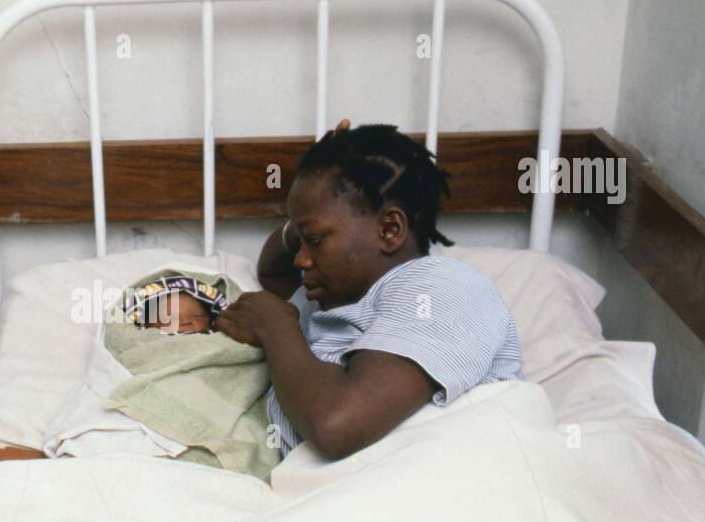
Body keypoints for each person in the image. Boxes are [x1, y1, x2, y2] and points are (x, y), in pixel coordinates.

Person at [214, 121, 523, 461]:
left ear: (389, 229)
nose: (301, 259)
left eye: (315, 240)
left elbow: (336, 427)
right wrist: (306, 218)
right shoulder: (338, 291)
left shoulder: (441, 288)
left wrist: (275, 326)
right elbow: (271, 271)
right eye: (299, 242)